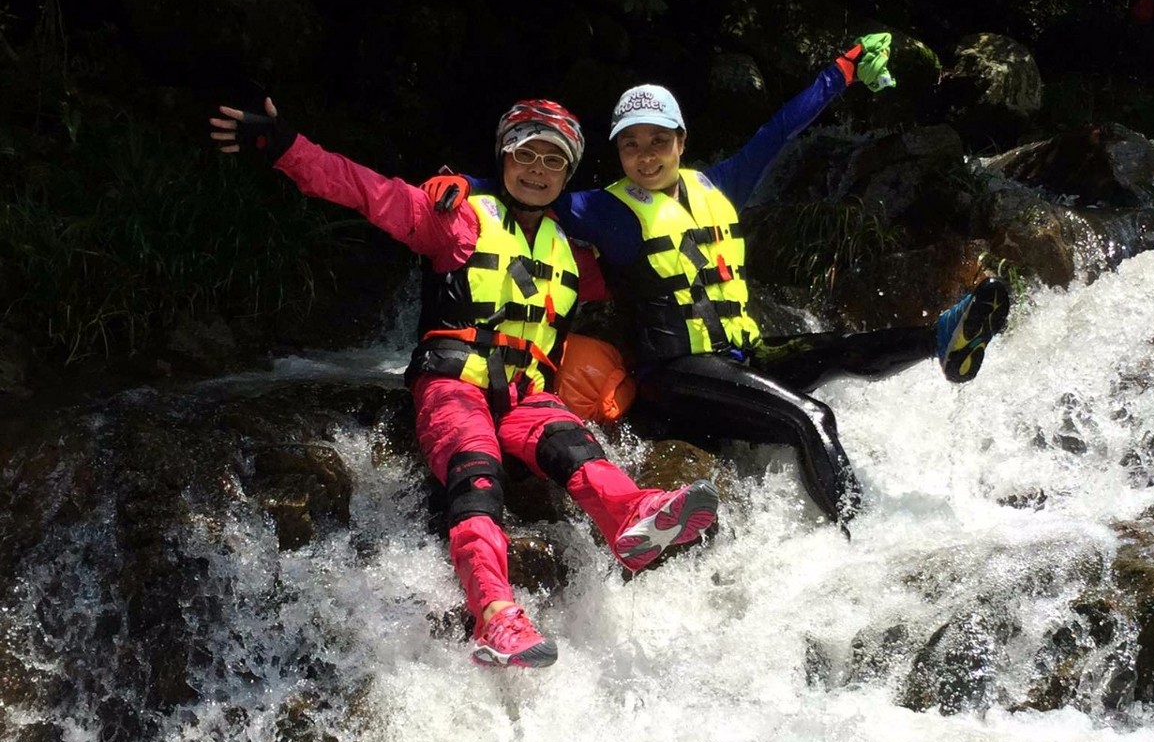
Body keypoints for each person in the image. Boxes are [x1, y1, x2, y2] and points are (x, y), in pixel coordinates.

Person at [209, 96, 720, 670]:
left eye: (554, 161)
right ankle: (495, 615)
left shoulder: (579, 255)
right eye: (525, 154)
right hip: (454, 385)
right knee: (478, 472)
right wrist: (285, 148)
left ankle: (629, 517)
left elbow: (655, 274)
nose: (537, 170)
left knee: (572, 443)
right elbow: (368, 192)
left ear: (568, 176)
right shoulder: (459, 220)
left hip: (528, 393)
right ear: (504, 158)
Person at [429, 35, 1010, 527]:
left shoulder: (720, 184)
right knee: (811, 416)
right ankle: (858, 533)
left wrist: (842, 72)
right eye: (631, 144)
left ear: (681, 142)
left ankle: (943, 339)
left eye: (658, 141)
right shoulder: (603, 210)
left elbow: (779, 130)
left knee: (844, 349)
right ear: (618, 153)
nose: (645, 155)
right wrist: (462, 184)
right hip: (675, 376)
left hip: (738, 358)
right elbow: (530, 188)